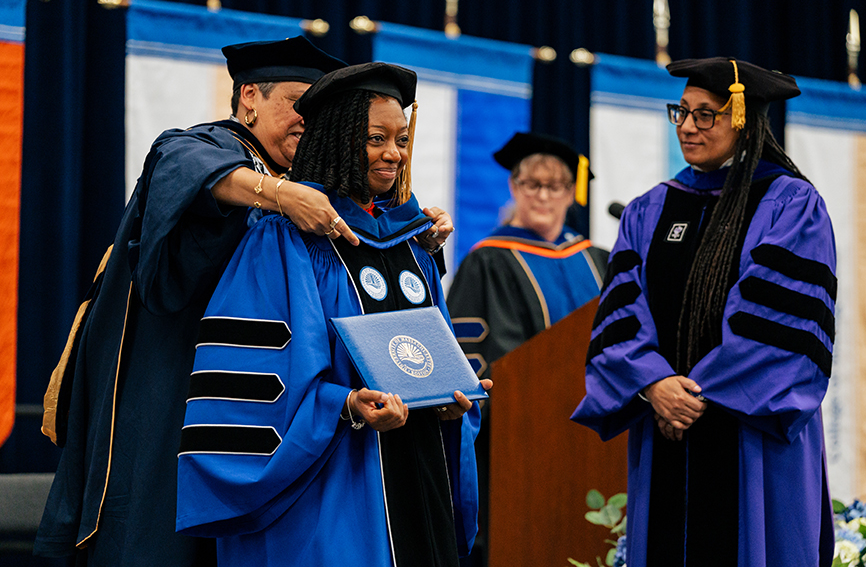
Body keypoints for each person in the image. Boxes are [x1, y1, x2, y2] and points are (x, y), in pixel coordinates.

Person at [33, 37, 449, 566]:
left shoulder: (309, 187)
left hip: (271, 402)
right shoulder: (208, 148)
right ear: (249, 97)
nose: (307, 120)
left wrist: (410, 232)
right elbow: (184, 166)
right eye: (296, 103)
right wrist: (279, 195)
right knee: (159, 535)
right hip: (182, 386)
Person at [175, 62, 489, 567]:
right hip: (329, 489)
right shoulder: (285, 240)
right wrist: (345, 405)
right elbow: (260, 380)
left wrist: (453, 403)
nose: (394, 153)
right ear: (339, 142)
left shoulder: (413, 244)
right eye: (375, 138)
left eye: (401, 139)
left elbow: (431, 360)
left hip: (416, 472)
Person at [571, 58, 837, 567]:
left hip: (749, 431)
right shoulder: (650, 209)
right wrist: (653, 384)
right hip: (664, 421)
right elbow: (622, 312)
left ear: (743, 120)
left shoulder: (790, 204)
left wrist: (689, 398)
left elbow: (782, 329)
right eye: (682, 112)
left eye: (705, 114)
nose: (688, 127)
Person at [446, 132, 608, 566]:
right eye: (532, 184)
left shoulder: (598, 260)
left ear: (571, 193)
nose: (543, 196)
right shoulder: (488, 260)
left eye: (554, 185)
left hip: (596, 436)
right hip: (519, 439)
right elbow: (471, 350)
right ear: (514, 187)